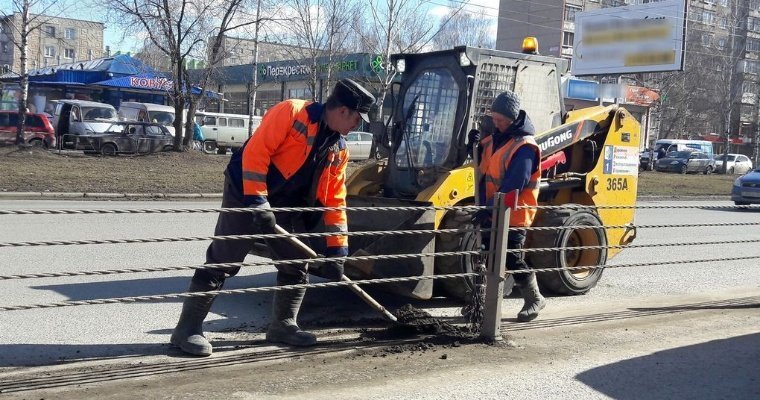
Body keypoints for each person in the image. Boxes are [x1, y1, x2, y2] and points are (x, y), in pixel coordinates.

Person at [171, 78, 376, 356]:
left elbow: (334, 200)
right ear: (343, 111)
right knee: (224, 260)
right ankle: (187, 331)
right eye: (357, 119)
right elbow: (256, 154)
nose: (357, 126)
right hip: (245, 189)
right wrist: (257, 202)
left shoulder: (339, 148)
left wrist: (338, 249)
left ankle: (283, 325)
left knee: (295, 262)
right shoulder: (292, 112)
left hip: (288, 203)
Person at [468, 90, 545, 322]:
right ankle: (485, 305)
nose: (496, 123)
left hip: (514, 214)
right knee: (487, 256)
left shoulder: (524, 147)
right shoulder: (493, 139)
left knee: (510, 257)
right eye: (494, 118)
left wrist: (490, 207)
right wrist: (473, 146)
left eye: (501, 120)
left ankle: (534, 298)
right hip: (491, 210)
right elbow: (484, 170)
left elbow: (514, 184)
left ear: (512, 120)